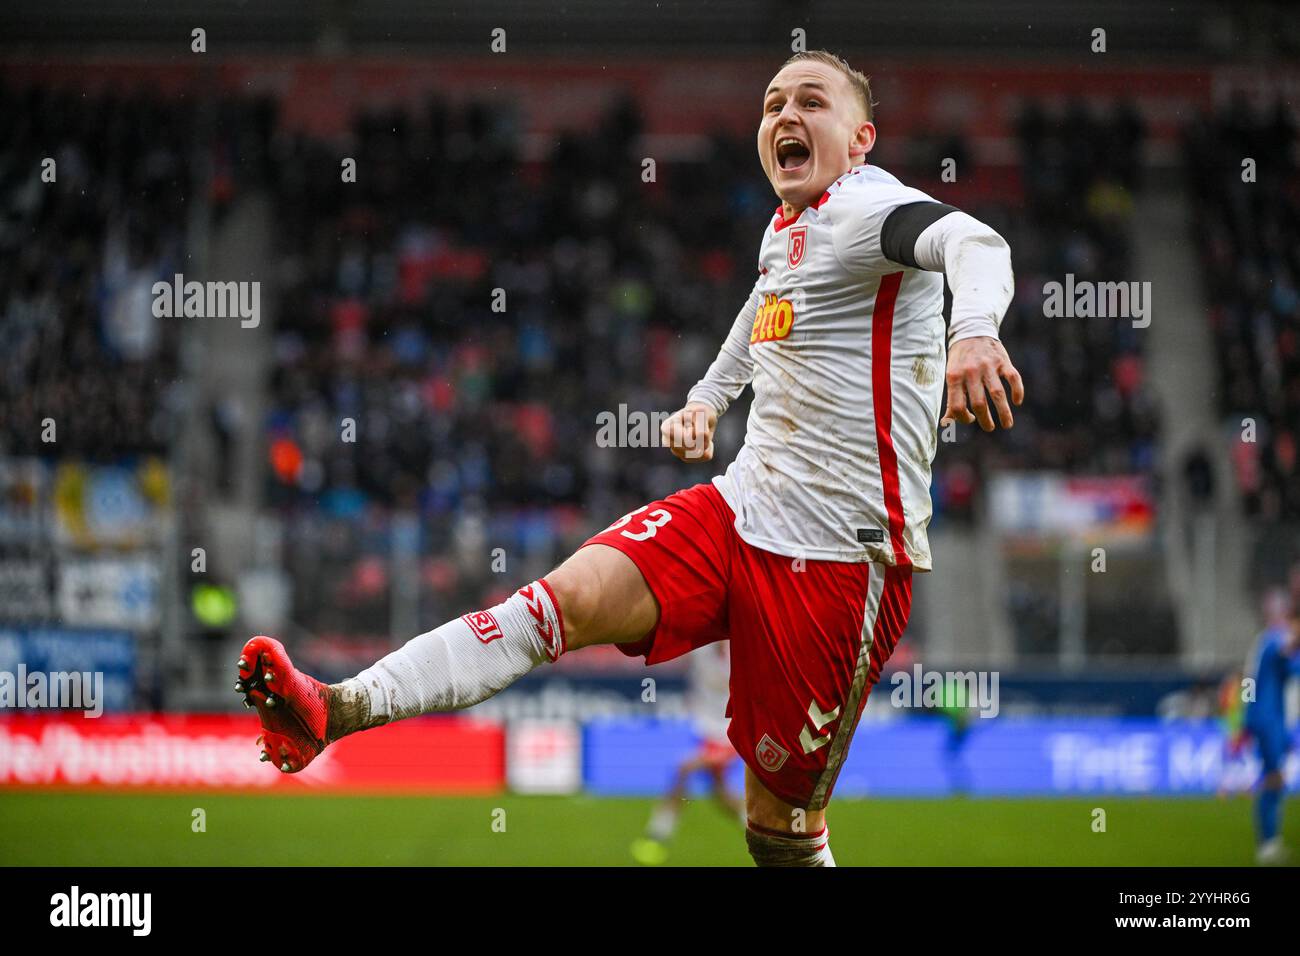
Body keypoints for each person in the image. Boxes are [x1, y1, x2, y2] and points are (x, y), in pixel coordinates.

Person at [236, 49, 1022, 867]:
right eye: (772, 103)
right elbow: (761, 309)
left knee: (778, 834)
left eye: (811, 103)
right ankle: (336, 707)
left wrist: (975, 332)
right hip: (738, 509)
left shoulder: (870, 210)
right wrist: (708, 401)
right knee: (558, 603)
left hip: (836, 561)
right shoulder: (790, 227)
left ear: (859, 139)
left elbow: (975, 242)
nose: (785, 115)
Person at [630, 642, 742, 865]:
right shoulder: (700, 649)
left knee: (684, 768)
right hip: (707, 730)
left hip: (732, 733)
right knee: (721, 794)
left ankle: (658, 834)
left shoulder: (740, 652)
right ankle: (759, 828)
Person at [1243, 596, 1300, 864]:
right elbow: (1286, 653)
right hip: (1268, 720)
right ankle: (1266, 843)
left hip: (1271, 719)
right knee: (1273, 777)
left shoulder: (1266, 641)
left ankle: (1270, 840)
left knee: (1275, 777)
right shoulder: (1274, 639)